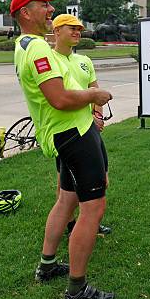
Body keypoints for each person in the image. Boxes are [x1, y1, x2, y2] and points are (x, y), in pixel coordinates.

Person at [11, 0, 115, 299]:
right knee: (93, 207)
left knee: (67, 200)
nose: (50, 9)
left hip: (72, 131)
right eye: (44, 5)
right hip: (72, 133)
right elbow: (60, 99)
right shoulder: (36, 48)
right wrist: (94, 97)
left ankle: (47, 266)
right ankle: (77, 289)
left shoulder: (29, 46)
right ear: (26, 13)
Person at [50, 14, 112, 237]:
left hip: (90, 129)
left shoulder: (84, 61)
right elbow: (57, 98)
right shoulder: (50, 61)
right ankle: (70, 223)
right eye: (71, 28)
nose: (77, 32)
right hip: (67, 132)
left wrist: (98, 116)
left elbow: (96, 91)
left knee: (101, 176)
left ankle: (91, 223)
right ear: (57, 31)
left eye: (79, 29)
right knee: (65, 182)